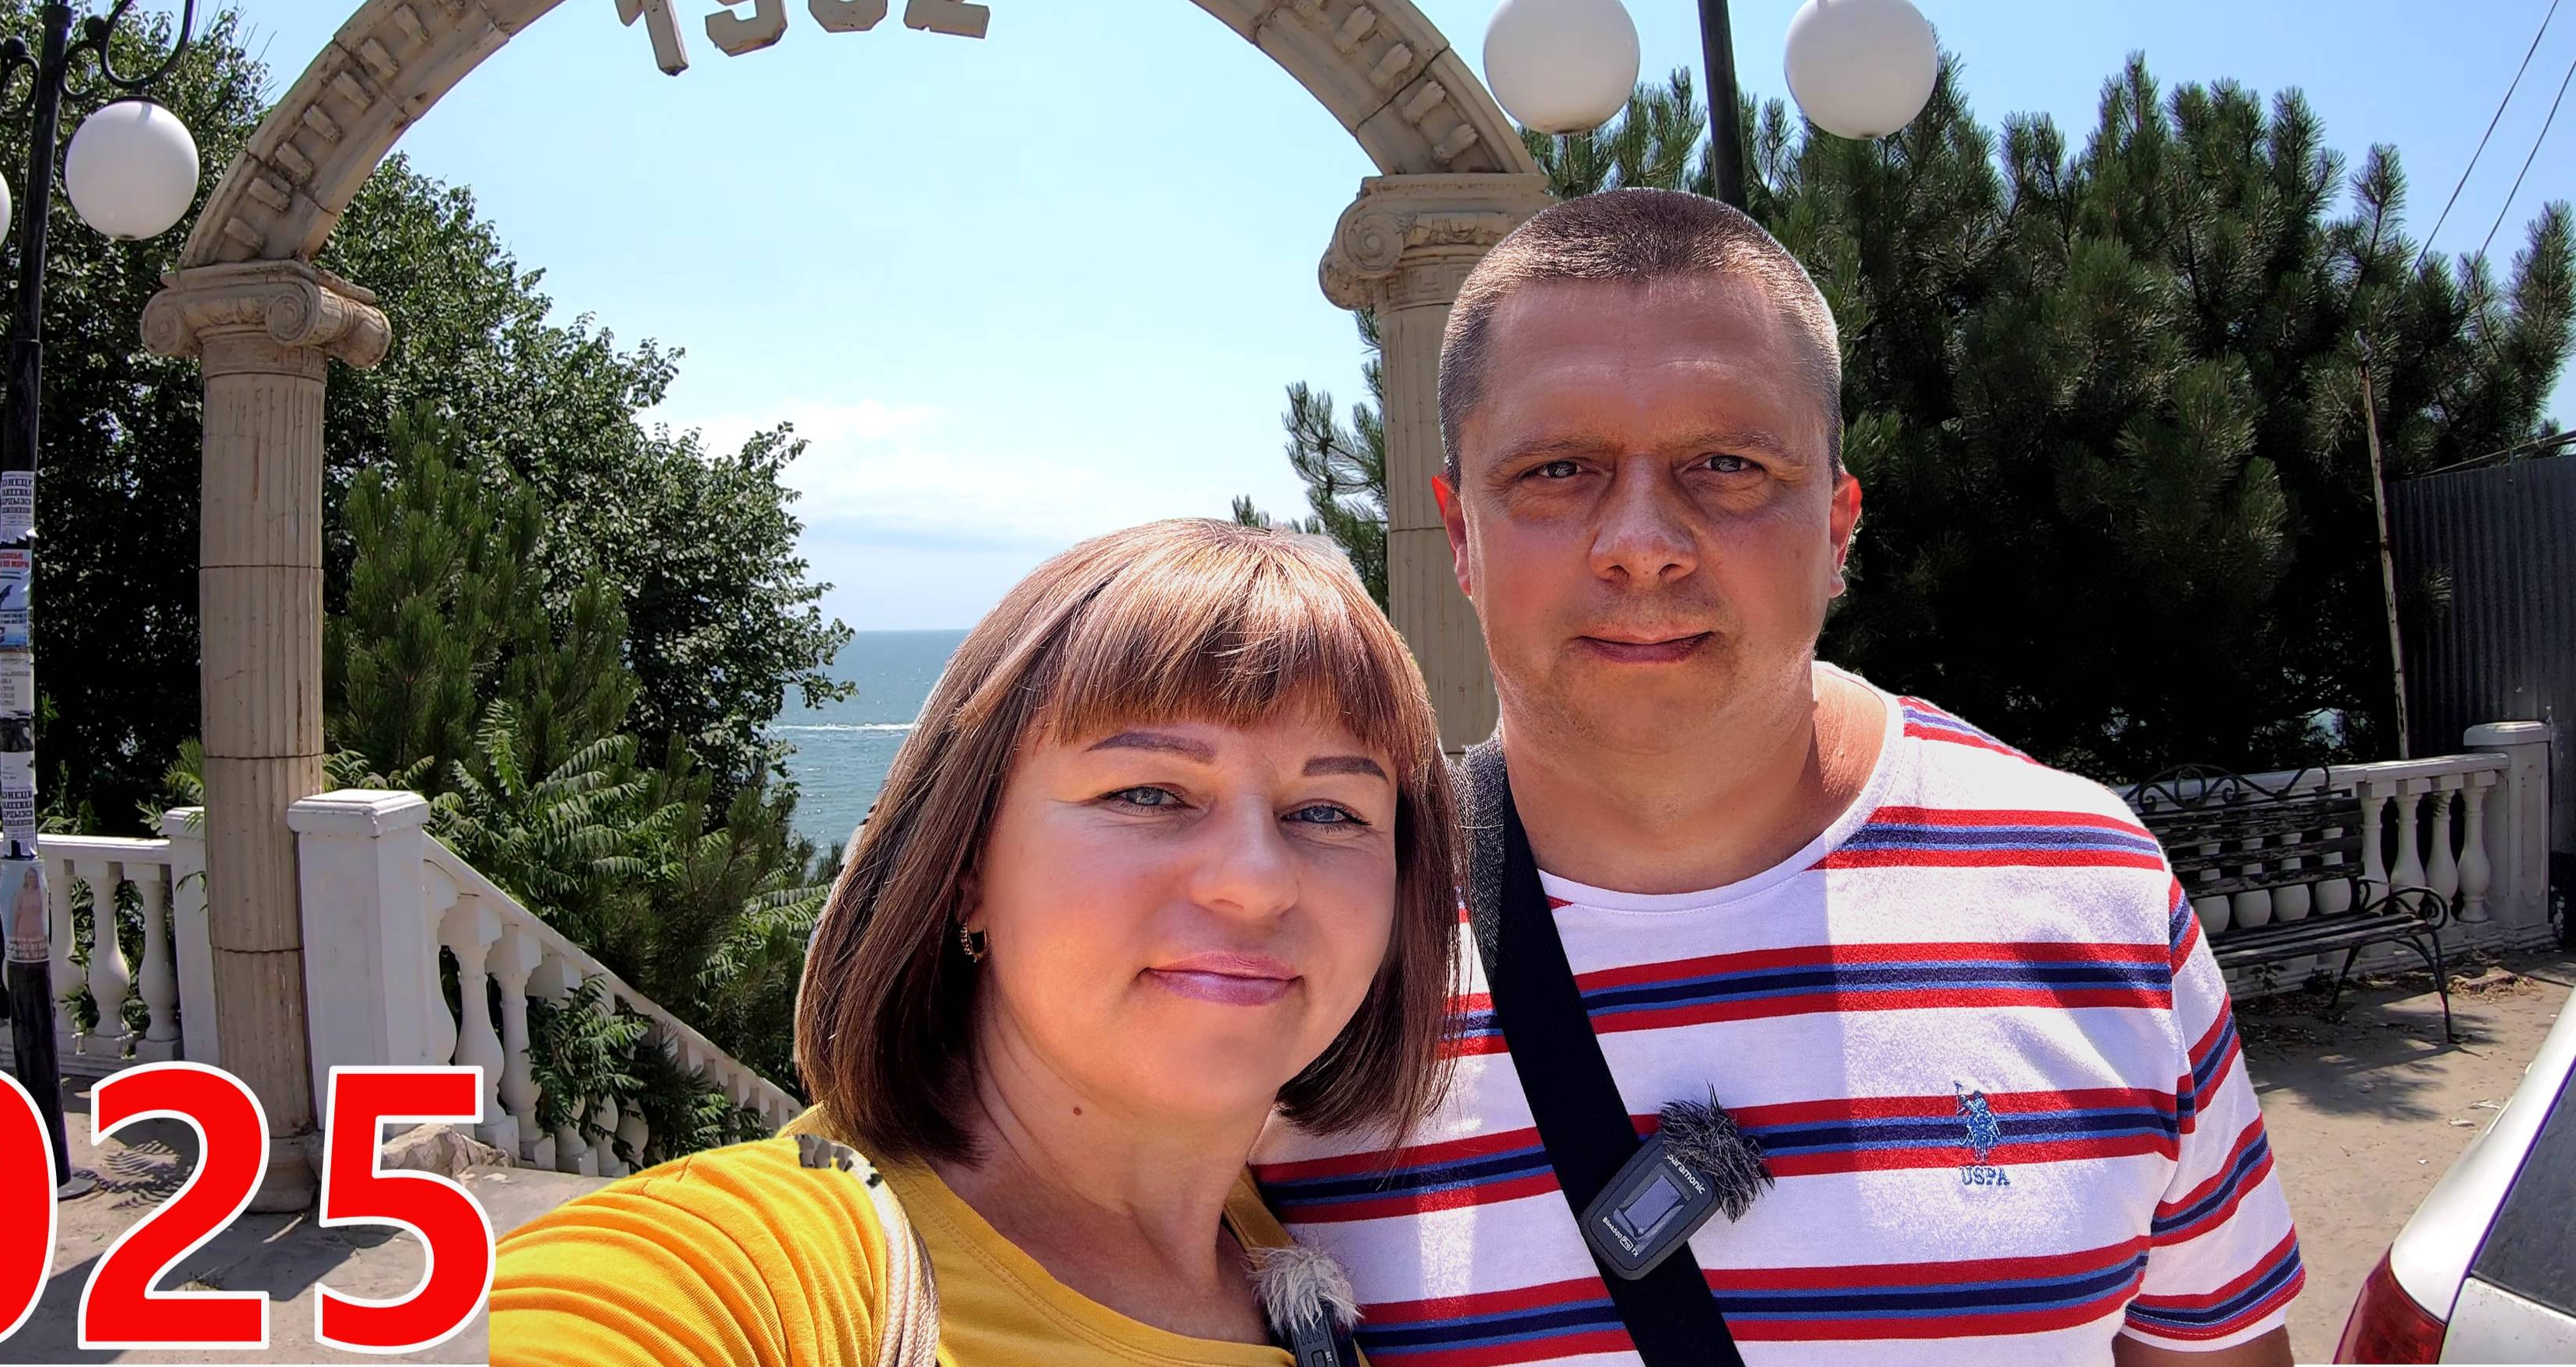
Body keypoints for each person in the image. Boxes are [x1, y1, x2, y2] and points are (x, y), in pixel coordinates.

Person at [1252, 190, 2302, 1366]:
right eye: (1556, 469)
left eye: (1727, 464)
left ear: (1839, 525)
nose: (1642, 543)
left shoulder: (2090, 885)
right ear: (1460, 533)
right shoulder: (1304, 941)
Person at [491, 519, 1462, 1366]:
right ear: (967, 870)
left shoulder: (1304, 1264)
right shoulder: (768, 1271)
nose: (1256, 879)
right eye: (1148, 793)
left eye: (1330, 811)